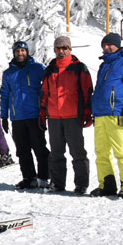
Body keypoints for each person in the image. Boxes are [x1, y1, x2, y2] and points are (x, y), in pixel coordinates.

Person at [90, 32, 123, 198]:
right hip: (100, 114)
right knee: (101, 152)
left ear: (117, 45)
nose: (106, 47)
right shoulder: (104, 64)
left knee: (121, 151)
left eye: (109, 45)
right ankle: (107, 185)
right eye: (104, 45)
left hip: (118, 114)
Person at [40, 35, 93, 193]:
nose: (61, 51)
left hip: (73, 117)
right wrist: (43, 114)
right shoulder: (50, 69)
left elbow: (87, 92)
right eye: (58, 48)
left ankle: (81, 184)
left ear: (70, 49)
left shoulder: (79, 68)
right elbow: (44, 94)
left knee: (77, 152)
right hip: (54, 118)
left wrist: (87, 113)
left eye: (64, 48)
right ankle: (57, 183)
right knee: (56, 153)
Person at [0, 41, 50, 189]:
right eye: (17, 51)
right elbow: (5, 95)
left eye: (23, 51)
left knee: (40, 148)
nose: (20, 53)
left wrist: (45, 108)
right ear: (14, 53)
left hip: (35, 115)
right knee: (22, 150)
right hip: (18, 117)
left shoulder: (37, 68)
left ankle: (43, 178)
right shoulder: (9, 73)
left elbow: (46, 87)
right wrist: (4, 116)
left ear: (27, 52)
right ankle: (29, 178)